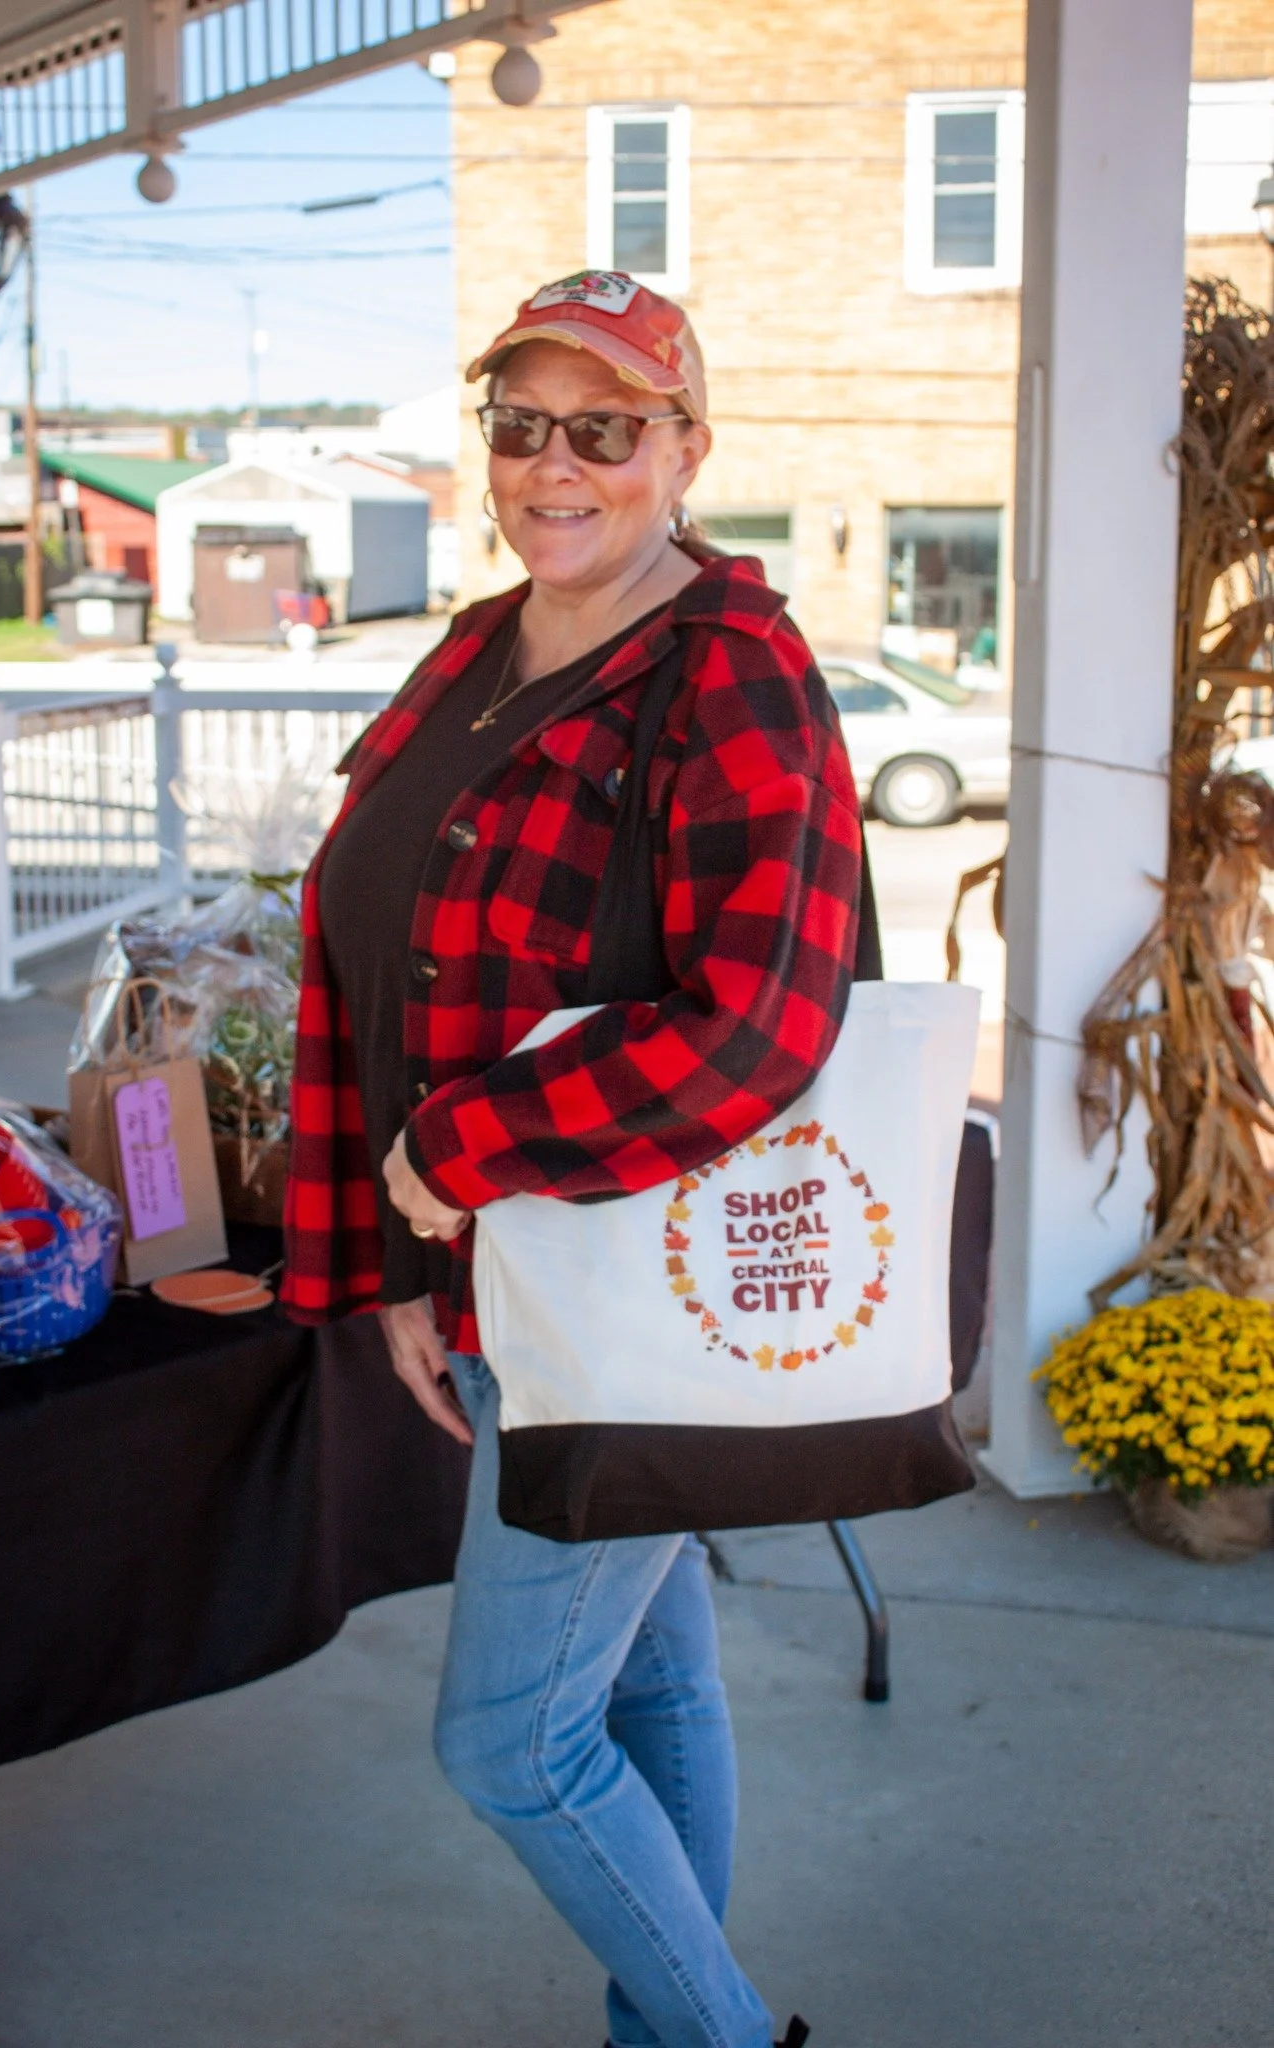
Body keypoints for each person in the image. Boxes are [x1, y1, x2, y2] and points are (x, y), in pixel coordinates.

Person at [282, 270, 863, 2048]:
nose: (557, 464)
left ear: (686, 448)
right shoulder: (477, 643)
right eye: (522, 424)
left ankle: (723, 2033)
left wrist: (461, 1148)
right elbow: (374, 935)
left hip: (635, 1286)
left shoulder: (731, 675)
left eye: (604, 428)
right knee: (657, 1681)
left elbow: (762, 1018)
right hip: (503, 1274)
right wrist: (404, 1259)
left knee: (512, 1742)